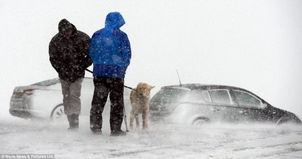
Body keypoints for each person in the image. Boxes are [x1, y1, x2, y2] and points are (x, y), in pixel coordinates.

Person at [89, 12, 131, 136]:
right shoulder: (121, 35)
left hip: (99, 72)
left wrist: (99, 63)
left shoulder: (97, 34)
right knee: (116, 102)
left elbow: (92, 52)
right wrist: (123, 66)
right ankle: (115, 129)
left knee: (98, 101)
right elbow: (127, 54)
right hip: (116, 73)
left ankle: (95, 128)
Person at [49, 19, 92, 129]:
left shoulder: (83, 38)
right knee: (66, 97)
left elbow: (91, 55)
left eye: (67, 32)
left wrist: (81, 66)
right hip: (64, 75)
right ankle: (70, 122)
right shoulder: (55, 41)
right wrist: (61, 69)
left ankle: (75, 122)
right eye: (63, 33)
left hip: (78, 74)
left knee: (74, 95)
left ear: (71, 29)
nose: (66, 35)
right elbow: (53, 59)